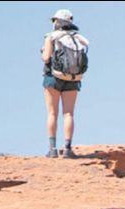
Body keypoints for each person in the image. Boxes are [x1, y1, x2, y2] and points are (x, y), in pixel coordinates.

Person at [41, 9, 89, 158]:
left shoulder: (51, 37)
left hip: (53, 78)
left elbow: (46, 58)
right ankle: (67, 149)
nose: (53, 23)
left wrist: (43, 51)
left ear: (59, 22)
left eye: (54, 20)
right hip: (73, 79)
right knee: (68, 114)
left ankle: (52, 149)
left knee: (52, 113)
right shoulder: (78, 38)